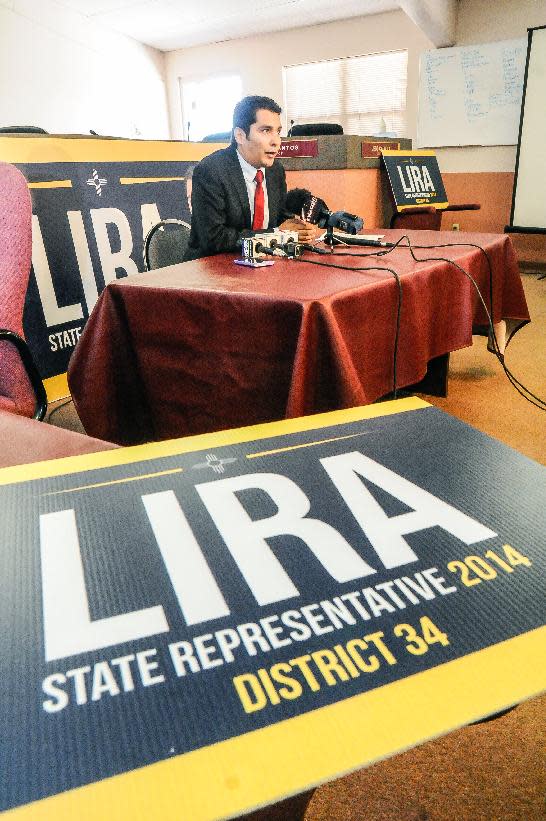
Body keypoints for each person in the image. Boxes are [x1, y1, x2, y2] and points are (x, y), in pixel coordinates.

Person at [184, 95, 319, 260]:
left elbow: (279, 219)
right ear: (240, 136)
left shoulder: (275, 170)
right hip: (212, 272)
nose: (276, 141)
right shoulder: (211, 171)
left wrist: (297, 231)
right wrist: (276, 234)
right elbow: (214, 239)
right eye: (265, 130)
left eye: (278, 131)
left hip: (262, 267)